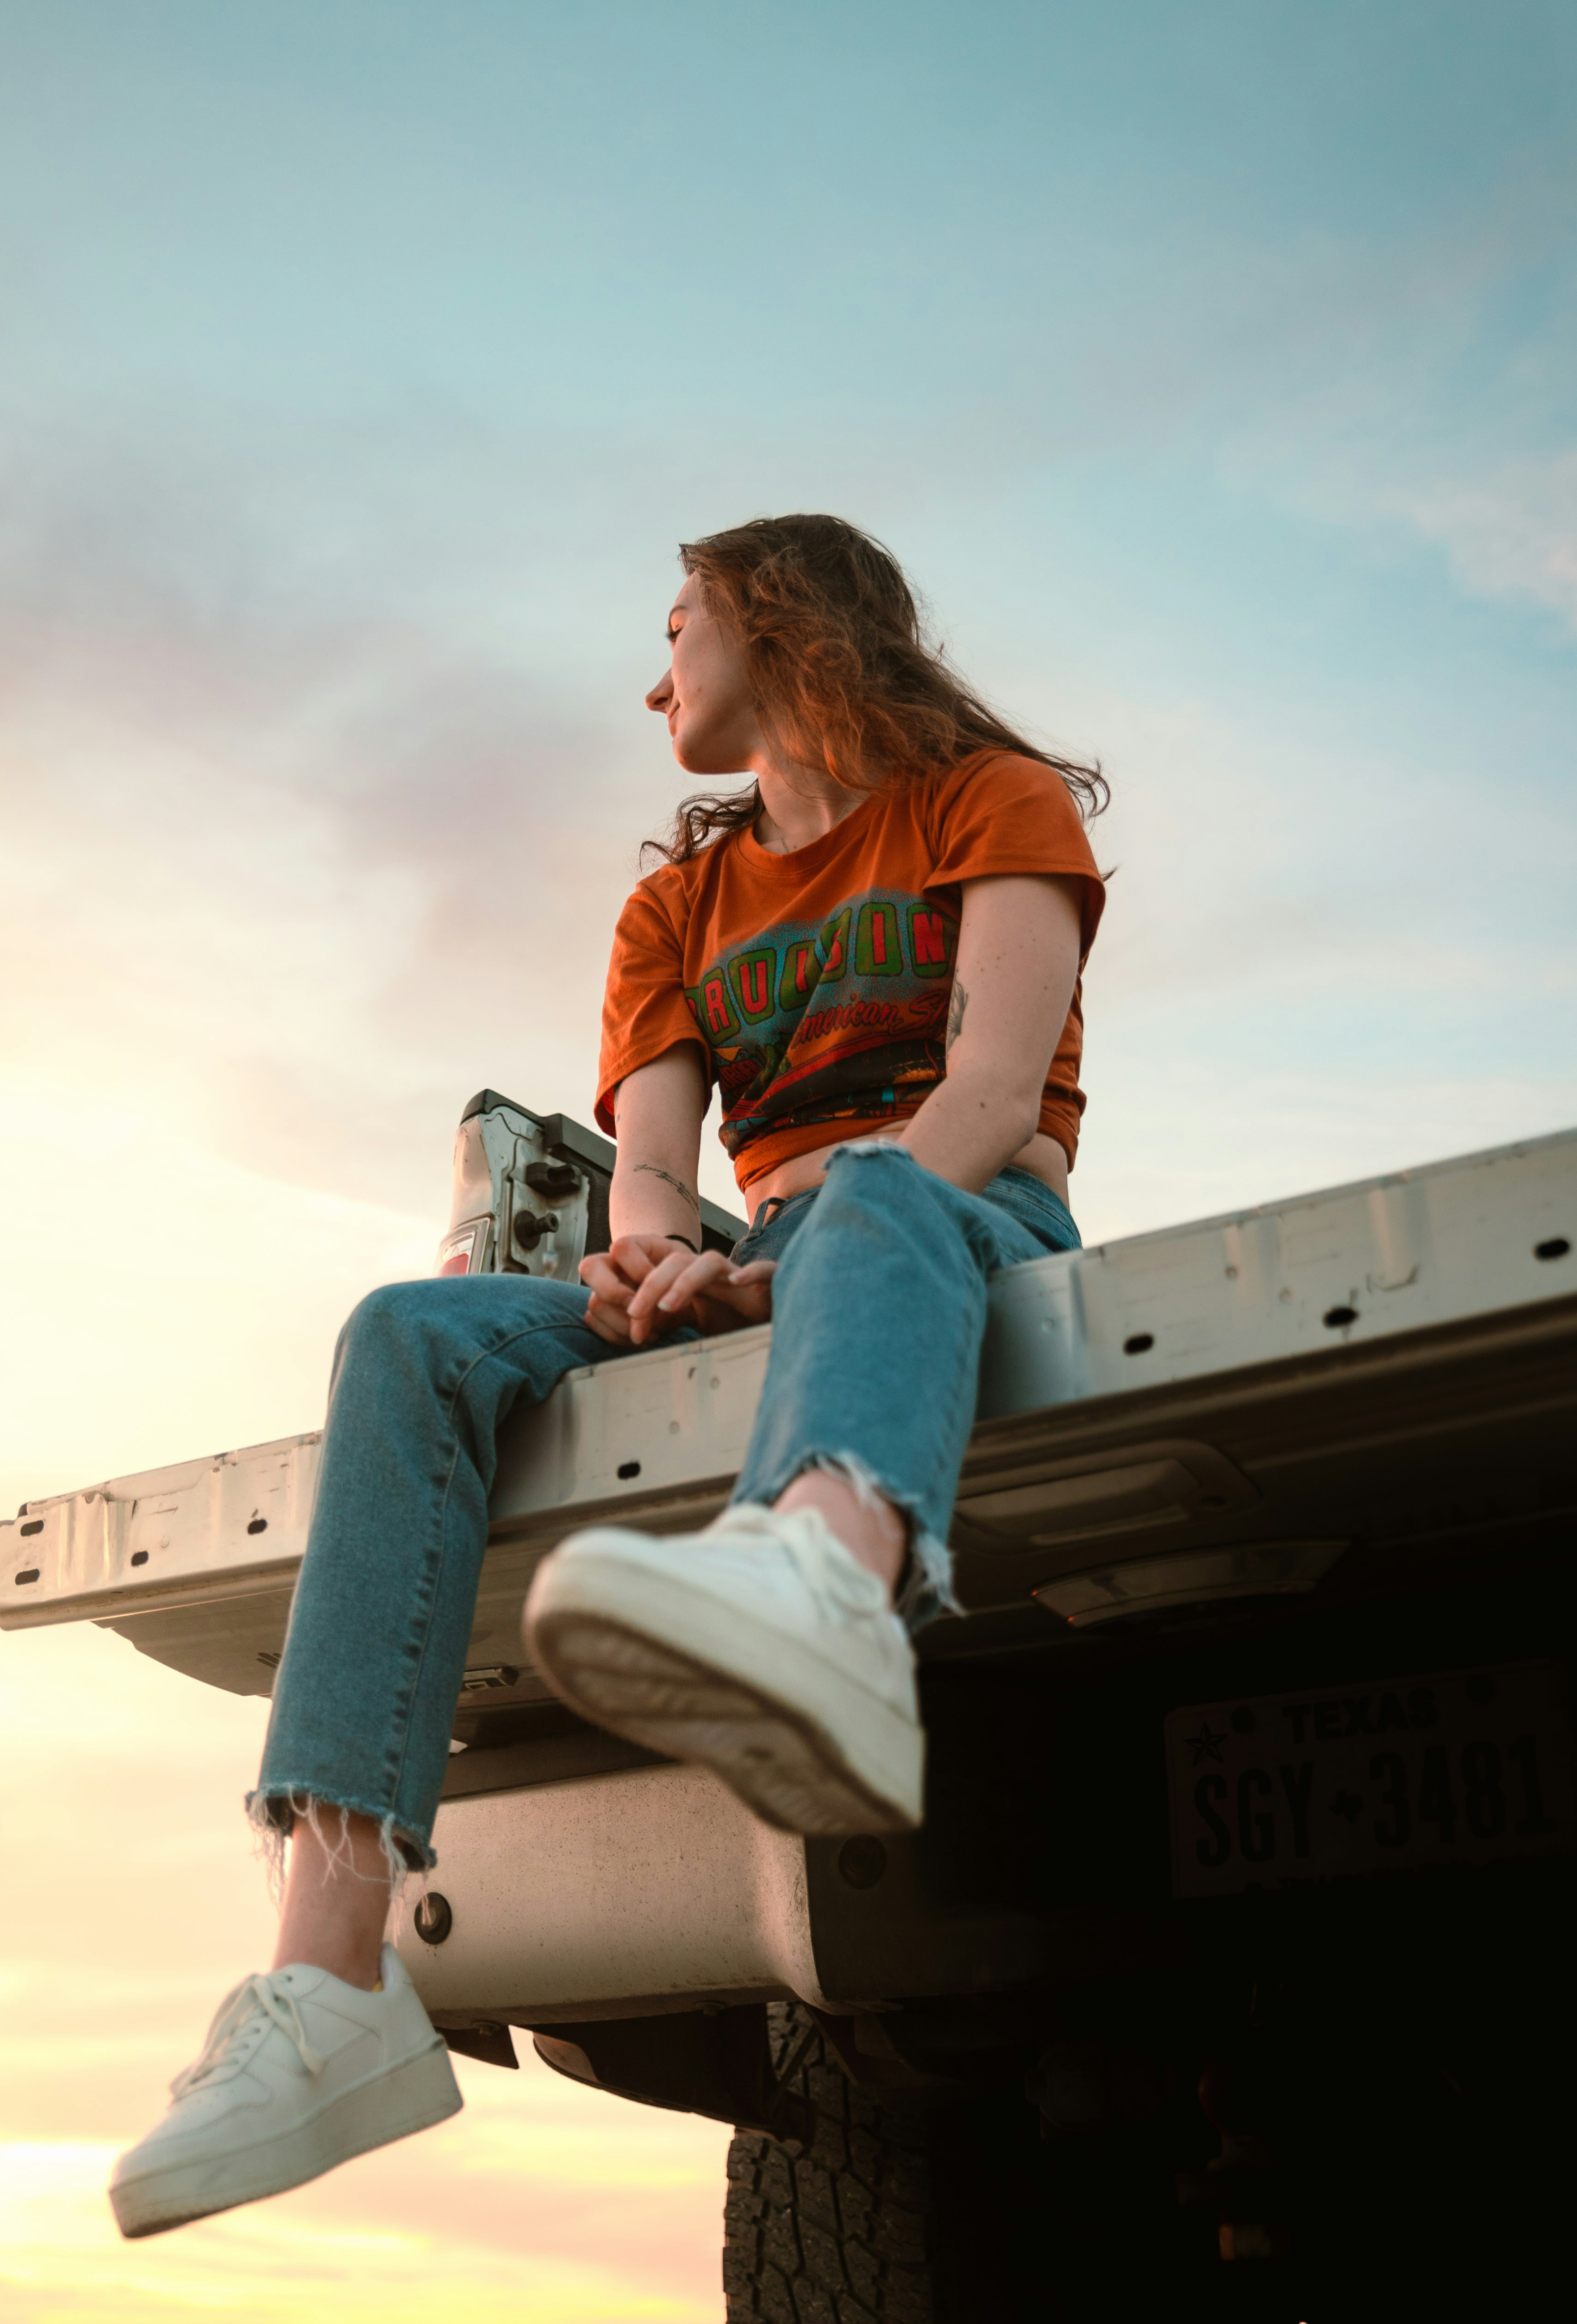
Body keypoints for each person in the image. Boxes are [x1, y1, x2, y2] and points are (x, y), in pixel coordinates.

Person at [108, 513, 1108, 2239]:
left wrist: (797, 1242)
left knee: (869, 1183)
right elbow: (652, 1162)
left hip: (955, 1216)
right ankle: (331, 1978)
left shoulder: (990, 800)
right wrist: (653, 1252)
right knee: (408, 1333)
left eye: (678, 631)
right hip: (756, 1248)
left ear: (781, 620)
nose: (655, 680)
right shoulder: (675, 905)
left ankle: (830, 1592)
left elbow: (994, 1093)